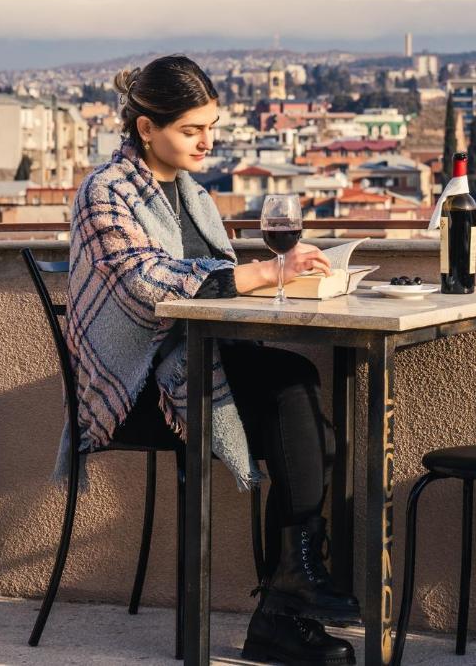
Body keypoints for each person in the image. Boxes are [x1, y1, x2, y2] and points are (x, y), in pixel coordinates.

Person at [63, 54, 356, 665]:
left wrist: (284, 280)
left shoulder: (192, 194)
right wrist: (270, 270)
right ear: (146, 128)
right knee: (301, 408)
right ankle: (286, 604)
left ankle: (286, 600)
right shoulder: (104, 194)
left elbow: (212, 280)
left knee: (305, 410)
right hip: (133, 390)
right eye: (192, 130)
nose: (208, 142)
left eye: (212, 128)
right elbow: (154, 284)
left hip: (197, 366)